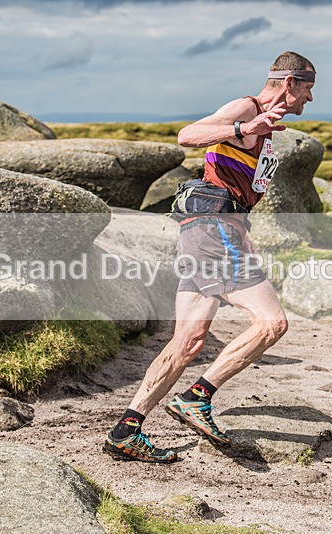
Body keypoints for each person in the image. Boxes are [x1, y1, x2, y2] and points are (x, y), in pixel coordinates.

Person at [103, 51, 316, 463]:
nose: (310, 100)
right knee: (272, 323)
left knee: (187, 342)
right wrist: (244, 126)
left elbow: (238, 184)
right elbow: (187, 135)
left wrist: (244, 234)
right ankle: (197, 398)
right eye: (307, 89)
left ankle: (125, 431)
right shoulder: (247, 108)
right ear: (288, 83)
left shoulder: (266, 127)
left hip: (210, 230)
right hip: (212, 229)